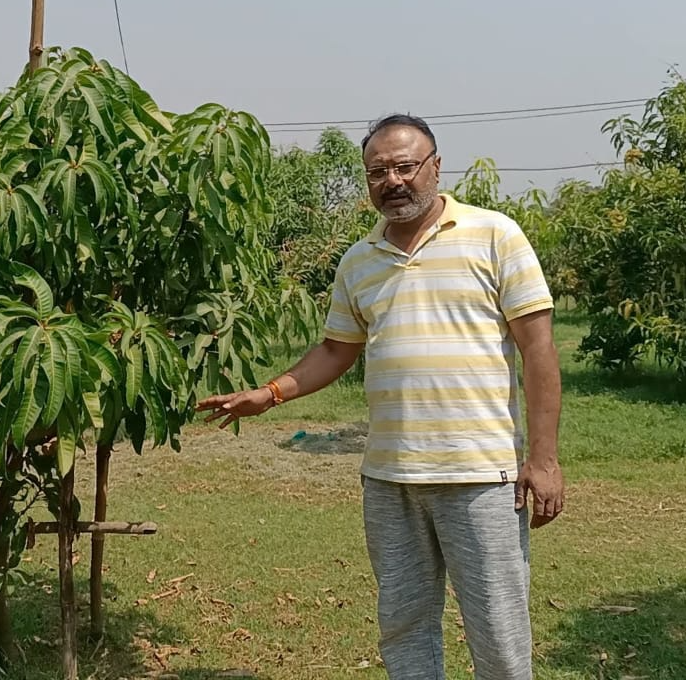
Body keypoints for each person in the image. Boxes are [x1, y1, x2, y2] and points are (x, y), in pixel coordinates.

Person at [197, 114, 564, 680]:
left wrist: (542, 460)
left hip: (480, 477)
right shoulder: (358, 261)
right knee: (404, 623)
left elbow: (538, 349)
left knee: (497, 629)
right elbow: (335, 351)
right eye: (376, 172)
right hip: (390, 480)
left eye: (404, 166)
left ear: (435, 167)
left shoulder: (495, 235)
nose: (392, 181)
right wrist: (268, 394)